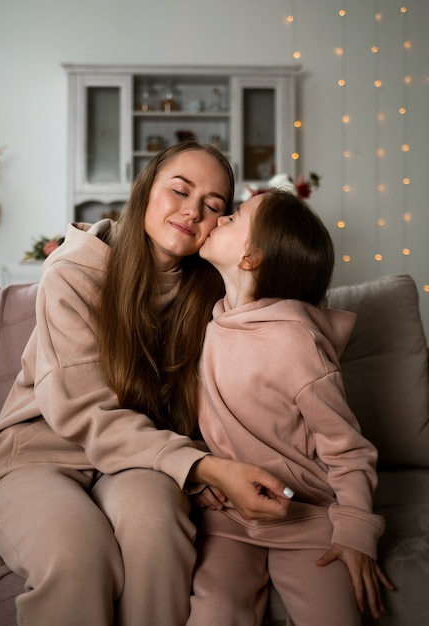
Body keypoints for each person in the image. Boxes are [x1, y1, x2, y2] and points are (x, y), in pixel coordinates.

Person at [0, 142, 292, 626]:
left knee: (157, 526)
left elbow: (213, 400)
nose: (191, 211)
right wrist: (201, 466)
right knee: (80, 556)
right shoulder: (75, 270)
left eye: (213, 207)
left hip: (137, 462)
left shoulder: (209, 288)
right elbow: (81, 412)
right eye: (179, 190)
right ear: (145, 190)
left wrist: (191, 464)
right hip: (37, 457)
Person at [188, 189, 394, 626]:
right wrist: (197, 475)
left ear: (251, 259)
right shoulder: (213, 323)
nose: (220, 218)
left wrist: (356, 530)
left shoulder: (296, 344)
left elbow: (347, 448)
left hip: (305, 517)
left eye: (236, 216)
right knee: (212, 612)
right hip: (229, 518)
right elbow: (202, 427)